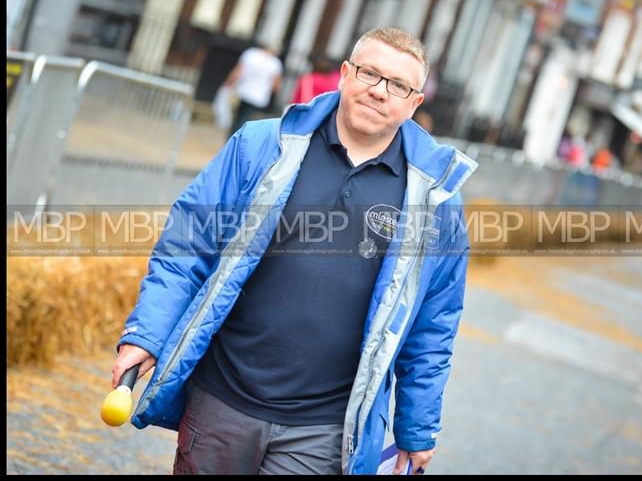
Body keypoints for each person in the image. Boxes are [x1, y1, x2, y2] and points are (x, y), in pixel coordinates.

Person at [110, 27, 478, 475]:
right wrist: (146, 335)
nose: (379, 92)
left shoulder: (435, 199)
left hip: (325, 428)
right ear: (344, 75)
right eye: (369, 73)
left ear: (414, 103)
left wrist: (417, 427)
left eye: (398, 85)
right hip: (223, 399)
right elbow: (188, 245)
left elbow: (433, 325)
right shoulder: (262, 146)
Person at [221, 42, 283, 137]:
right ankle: (237, 137)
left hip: (243, 91)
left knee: (237, 116)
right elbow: (276, 86)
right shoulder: (275, 63)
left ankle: (232, 136)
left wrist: (229, 83)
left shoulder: (250, 54)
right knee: (246, 118)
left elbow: (237, 72)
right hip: (259, 96)